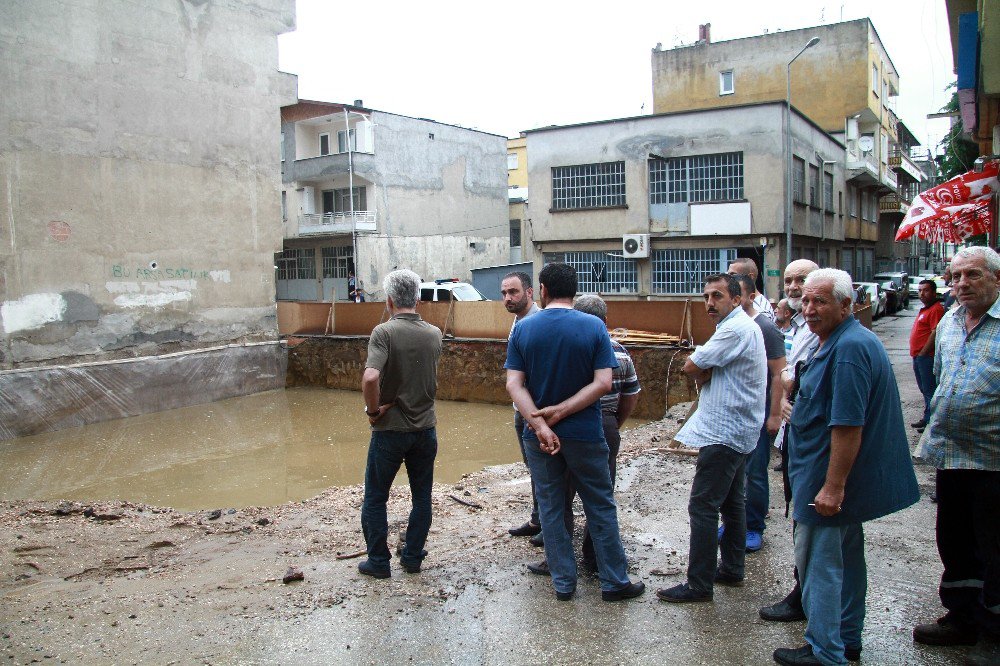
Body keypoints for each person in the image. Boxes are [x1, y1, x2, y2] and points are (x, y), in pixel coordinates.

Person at [773, 268, 919, 666]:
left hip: (825, 479)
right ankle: (847, 638)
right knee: (848, 558)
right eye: (805, 300)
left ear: (846, 305)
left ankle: (826, 650)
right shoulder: (839, 341)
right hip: (824, 473)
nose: (810, 308)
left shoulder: (849, 349)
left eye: (820, 301)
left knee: (818, 564)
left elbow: (848, 424)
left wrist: (832, 487)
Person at [505, 262, 644, 602]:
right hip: (585, 432)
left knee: (552, 507)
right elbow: (604, 383)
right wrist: (564, 412)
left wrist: (540, 423)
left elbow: (514, 384)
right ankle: (614, 582)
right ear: (574, 291)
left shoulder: (524, 328)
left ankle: (563, 583)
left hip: (538, 437)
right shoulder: (594, 326)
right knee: (600, 504)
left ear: (543, 291)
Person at [913, 246, 1000, 666]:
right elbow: (942, 377)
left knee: (995, 545)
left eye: (974, 275)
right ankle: (961, 616)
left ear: (996, 280)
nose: (962, 283)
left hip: (993, 460)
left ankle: (994, 632)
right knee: (955, 542)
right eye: (957, 275)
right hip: (951, 455)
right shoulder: (949, 321)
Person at [657, 273, 766, 603]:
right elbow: (703, 365)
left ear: (736, 299)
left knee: (703, 506)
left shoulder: (734, 329)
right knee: (732, 504)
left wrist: (702, 369)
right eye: (706, 297)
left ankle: (698, 584)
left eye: (717, 296)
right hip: (739, 429)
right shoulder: (742, 327)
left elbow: (691, 365)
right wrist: (706, 369)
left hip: (725, 431)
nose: (709, 303)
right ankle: (732, 568)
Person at [526, 294, 641, 575]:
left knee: (559, 497)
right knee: (600, 496)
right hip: (604, 423)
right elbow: (631, 395)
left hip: (563, 424)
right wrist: (613, 422)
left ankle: (558, 562)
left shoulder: (564, 347)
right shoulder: (620, 352)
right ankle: (596, 560)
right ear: (605, 321)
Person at [358, 269, 443, 578]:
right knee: (422, 497)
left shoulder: (384, 332)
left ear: (389, 300)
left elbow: (370, 376)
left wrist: (373, 410)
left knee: (376, 497)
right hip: (425, 430)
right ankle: (412, 557)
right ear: (417, 299)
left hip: (390, 430)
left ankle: (378, 562)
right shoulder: (434, 333)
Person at [760, 258, 820, 621]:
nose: (795, 288)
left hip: (815, 440)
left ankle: (810, 599)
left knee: (815, 525)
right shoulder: (795, 326)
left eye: (802, 280)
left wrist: (788, 385)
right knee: (800, 518)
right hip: (794, 435)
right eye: (790, 281)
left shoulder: (824, 329)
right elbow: (789, 373)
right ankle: (804, 591)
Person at [734, 273, 785, 553]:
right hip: (737, 412)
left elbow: (779, 372)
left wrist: (774, 414)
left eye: (736, 293)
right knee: (736, 472)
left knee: (755, 472)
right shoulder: (731, 325)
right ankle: (735, 522)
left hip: (759, 410)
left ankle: (753, 526)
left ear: (751, 296)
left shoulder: (764, 326)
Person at [501, 271, 545, 543]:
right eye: (504, 293)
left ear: (530, 292)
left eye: (513, 292)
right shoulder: (519, 322)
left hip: (536, 411)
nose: (507, 298)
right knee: (534, 469)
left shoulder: (538, 323)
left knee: (545, 472)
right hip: (522, 409)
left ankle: (548, 527)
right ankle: (538, 519)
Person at [909, 279, 945, 433]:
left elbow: (935, 331)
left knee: (930, 390)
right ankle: (926, 417)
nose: (922, 294)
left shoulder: (936, 309)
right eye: (920, 290)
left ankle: (931, 422)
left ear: (934, 292)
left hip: (926, 357)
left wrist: (924, 352)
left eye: (926, 290)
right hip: (918, 357)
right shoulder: (925, 309)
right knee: (924, 389)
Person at [729, 257, 776, 321]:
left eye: (733, 275)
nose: (729, 278)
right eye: (728, 275)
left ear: (750, 277)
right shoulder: (739, 302)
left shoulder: (762, 310)